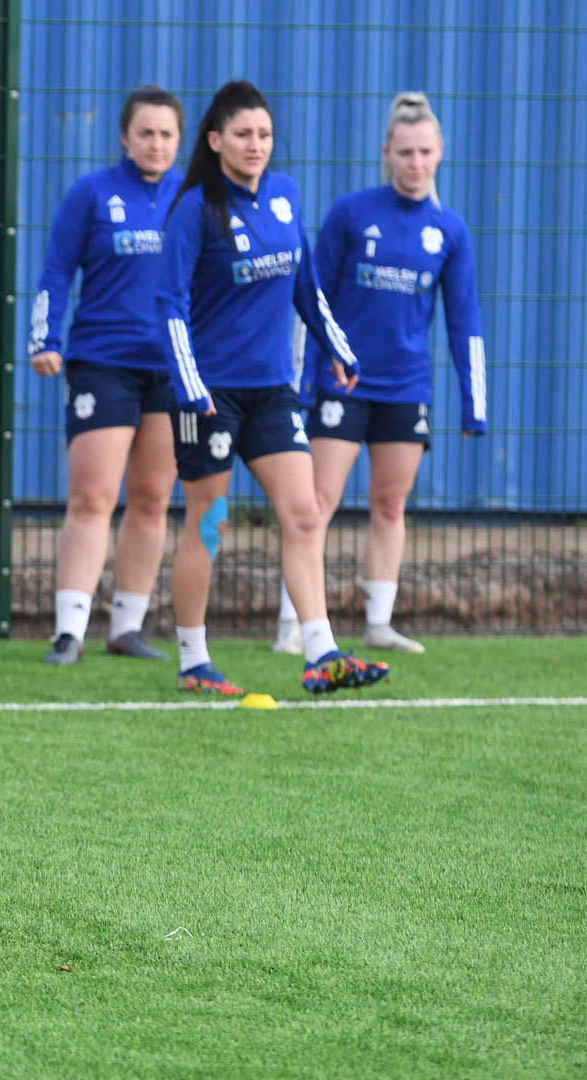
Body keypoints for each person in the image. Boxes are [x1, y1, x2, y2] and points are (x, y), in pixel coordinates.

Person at [155, 80, 387, 696]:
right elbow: (169, 305)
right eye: (241, 134)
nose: (255, 145)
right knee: (211, 518)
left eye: (263, 134)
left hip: (271, 390)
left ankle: (321, 652)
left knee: (305, 512)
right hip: (209, 396)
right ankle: (193, 660)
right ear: (215, 140)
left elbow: (305, 287)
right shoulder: (194, 209)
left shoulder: (284, 197)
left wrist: (337, 346)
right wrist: (189, 385)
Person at [273, 91, 486, 656]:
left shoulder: (450, 231)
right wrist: (304, 378)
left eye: (425, 152)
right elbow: (310, 297)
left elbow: (465, 320)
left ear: (440, 153)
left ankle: (378, 623)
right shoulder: (352, 213)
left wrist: (474, 403)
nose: (415, 163)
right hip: (343, 382)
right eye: (405, 152)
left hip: (407, 386)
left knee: (390, 506)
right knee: (316, 503)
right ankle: (294, 622)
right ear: (386, 151)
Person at [28, 85, 185, 666]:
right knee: (93, 495)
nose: (156, 143)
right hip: (103, 363)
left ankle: (127, 628)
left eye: (167, 134)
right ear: (125, 136)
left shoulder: (193, 198)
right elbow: (56, 272)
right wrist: (45, 339)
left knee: (151, 496)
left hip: (171, 368)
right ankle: (68, 631)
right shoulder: (92, 194)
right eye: (145, 132)